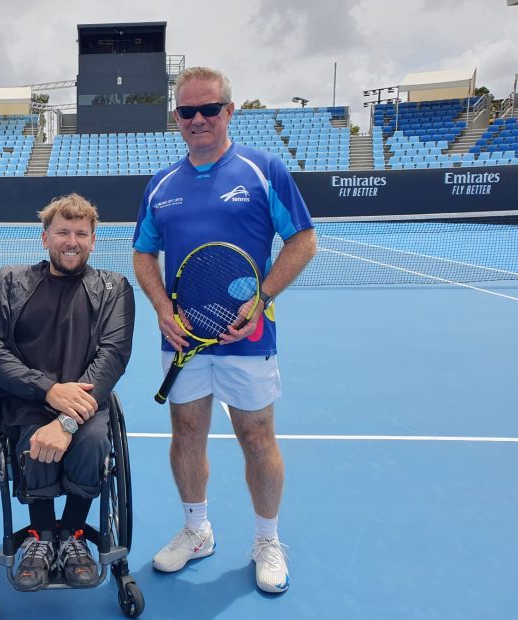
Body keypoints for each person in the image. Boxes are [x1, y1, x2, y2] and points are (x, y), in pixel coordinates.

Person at [132, 66, 317, 593]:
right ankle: (196, 531)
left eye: (209, 109)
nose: (198, 119)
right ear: (176, 118)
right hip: (183, 337)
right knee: (186, 432)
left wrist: (262, 299)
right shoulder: (161, 185)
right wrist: (162, 308)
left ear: (228, 111)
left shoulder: (263, 170)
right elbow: (144, 252)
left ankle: (266, 539)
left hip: (250, 338)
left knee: (256, 436)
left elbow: (302, 240)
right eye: (187, 111)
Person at [0, 193, 135, 591]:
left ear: (93, 241)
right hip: (25, 403)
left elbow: (111, 358)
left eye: (81, 233)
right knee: (32, 437)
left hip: (87, 409)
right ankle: (43, 537)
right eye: (63, 231)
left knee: (95, 439)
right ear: (45, 237)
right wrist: (48, 391)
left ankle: (74, 536)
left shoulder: (115, 288)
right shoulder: (7, 283)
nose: (72, 240)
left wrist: (65, 420)